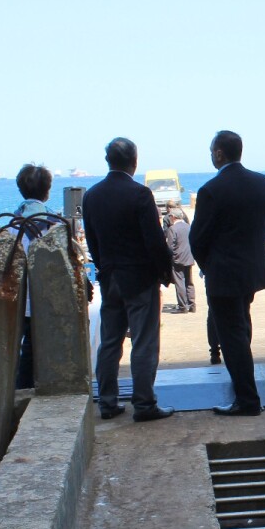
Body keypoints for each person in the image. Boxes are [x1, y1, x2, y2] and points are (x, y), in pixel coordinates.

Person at [81, 137, 174, 422]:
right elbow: (154, 240)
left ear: (107, 161)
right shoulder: (140, 194)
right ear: (134, 161)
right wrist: (165, 272)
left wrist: (104, 268)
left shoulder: (91, 196)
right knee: (144, 342)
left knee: (110, 341)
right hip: (140, 278)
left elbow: (92, 241)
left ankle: (107, 402)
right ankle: (144, 404)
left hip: (110, 277)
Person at [190, 130, 265, 416]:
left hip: (223, 274)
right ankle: (243, 385)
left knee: (231, 335)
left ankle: (247, 399)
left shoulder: (211, 190)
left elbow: (197, 239)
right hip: (251, 271)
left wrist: (208, 266)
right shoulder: (263, 182)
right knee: (242, 326)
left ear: (218, 153)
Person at [11, 163, 54, 388]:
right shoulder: (54, 224)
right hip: (47, 299)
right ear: (47, 191)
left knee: (21, 348)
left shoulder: (10, 226)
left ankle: (21, 389)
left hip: (17, 298)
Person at [166, 207, 196, 314]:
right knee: (189, 282)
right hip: (189, 257)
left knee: (180, 282)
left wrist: (170, 257)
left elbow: (170, 246)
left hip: (178, 259)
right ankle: (192, 305)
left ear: (173, 217)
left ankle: (183, 306)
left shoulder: (172, 229)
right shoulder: (188, 226)